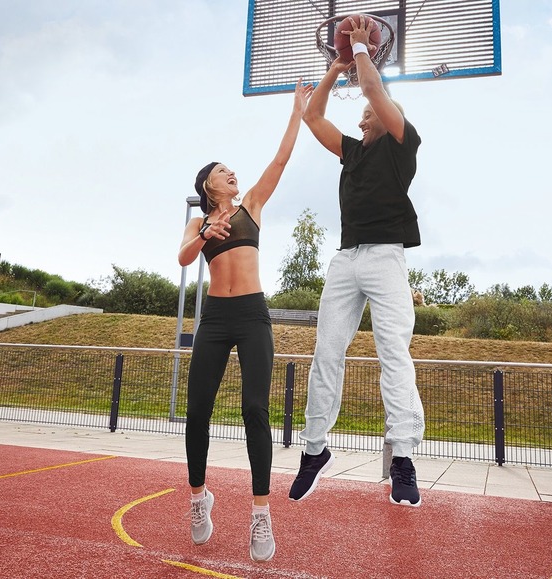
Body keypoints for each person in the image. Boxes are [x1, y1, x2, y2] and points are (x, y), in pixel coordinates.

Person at [288, 16, 425, 507]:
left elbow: (372, 85)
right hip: (346, 260)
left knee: (394, 352)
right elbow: (314, 118)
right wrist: (336, 64)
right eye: (367, 106)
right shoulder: (351, 152)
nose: (366, 107)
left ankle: (403, 459)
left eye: (374, 106)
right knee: (327, 351)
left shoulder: (401, 141)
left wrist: (364, 48)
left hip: (387, 258)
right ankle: (315, 449)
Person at [178, 79, 313, 561]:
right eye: (222, 171)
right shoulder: (200, 222)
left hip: (252, 314)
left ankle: (260, 515)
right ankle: (199, 500)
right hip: (215, 318)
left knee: (255, 409)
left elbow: (280, 160)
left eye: (233, 170)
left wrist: (297, 109)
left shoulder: (252, 207)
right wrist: (204, 234)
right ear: (207, 185)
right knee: (198, 411)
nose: (232, 173)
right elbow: (182, 257)